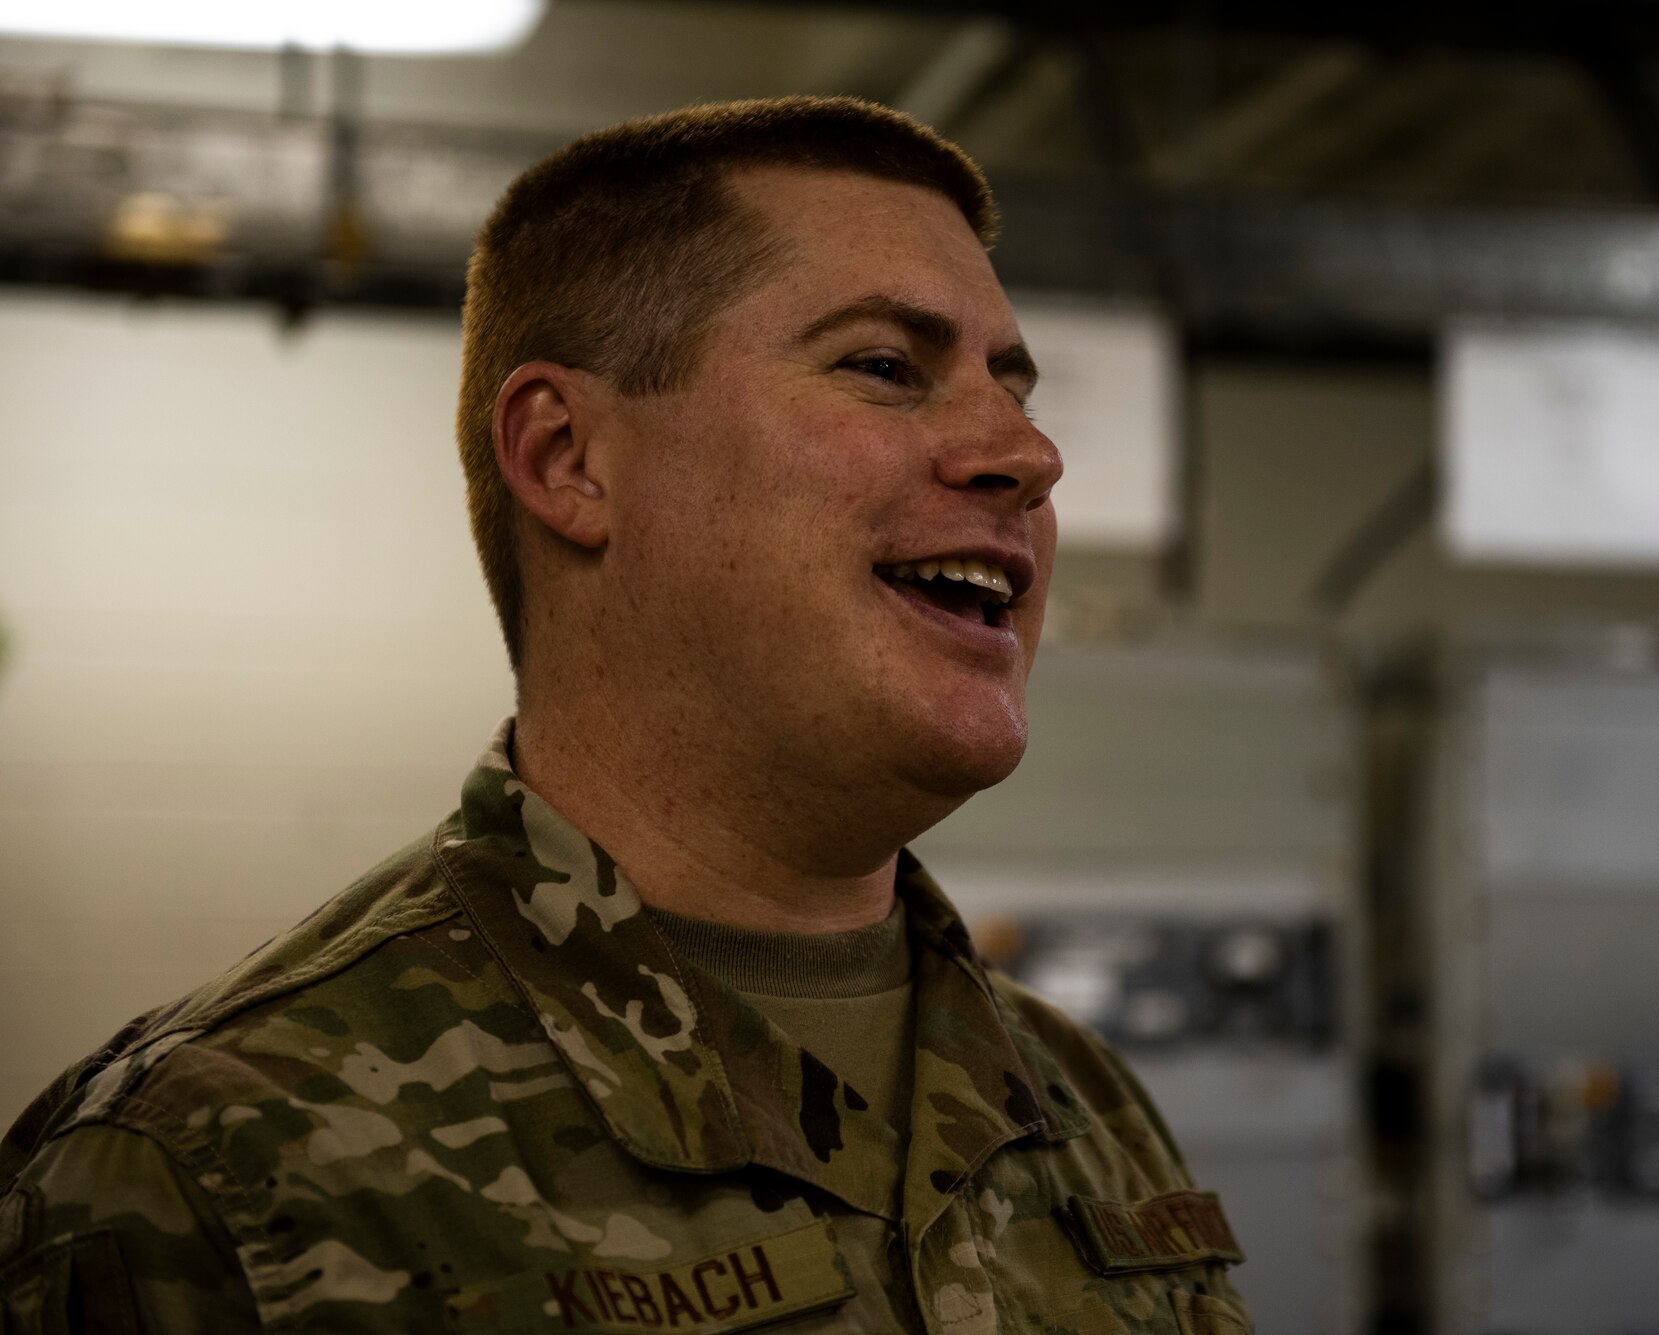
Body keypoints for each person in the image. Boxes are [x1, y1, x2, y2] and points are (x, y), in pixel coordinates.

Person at [0, 97, 1252, 1333]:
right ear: (565, 460)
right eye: (883, 366)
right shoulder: (219, 1171)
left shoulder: (1082, 1103)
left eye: (1012, 387)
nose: (1027, 456)